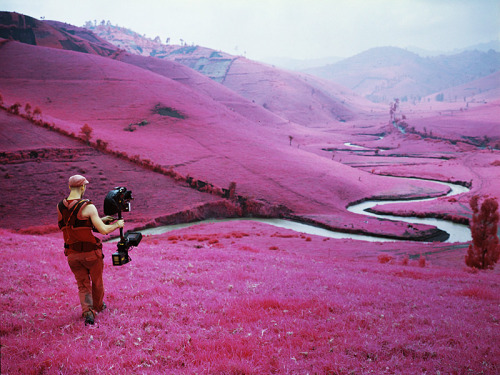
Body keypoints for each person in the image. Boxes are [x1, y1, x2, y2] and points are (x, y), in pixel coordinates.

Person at [57, 175, 124, 325]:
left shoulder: (60, 206)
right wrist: (117, 224)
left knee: (82, 284)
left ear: (69, 187)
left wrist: (99, 219)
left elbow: (74, 225)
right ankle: (99, 306)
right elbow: (105, 230)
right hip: (91, 254)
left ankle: (88, 312)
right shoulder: (88, 206)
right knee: (97, 282)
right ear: (82, 187)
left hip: (72, 255)